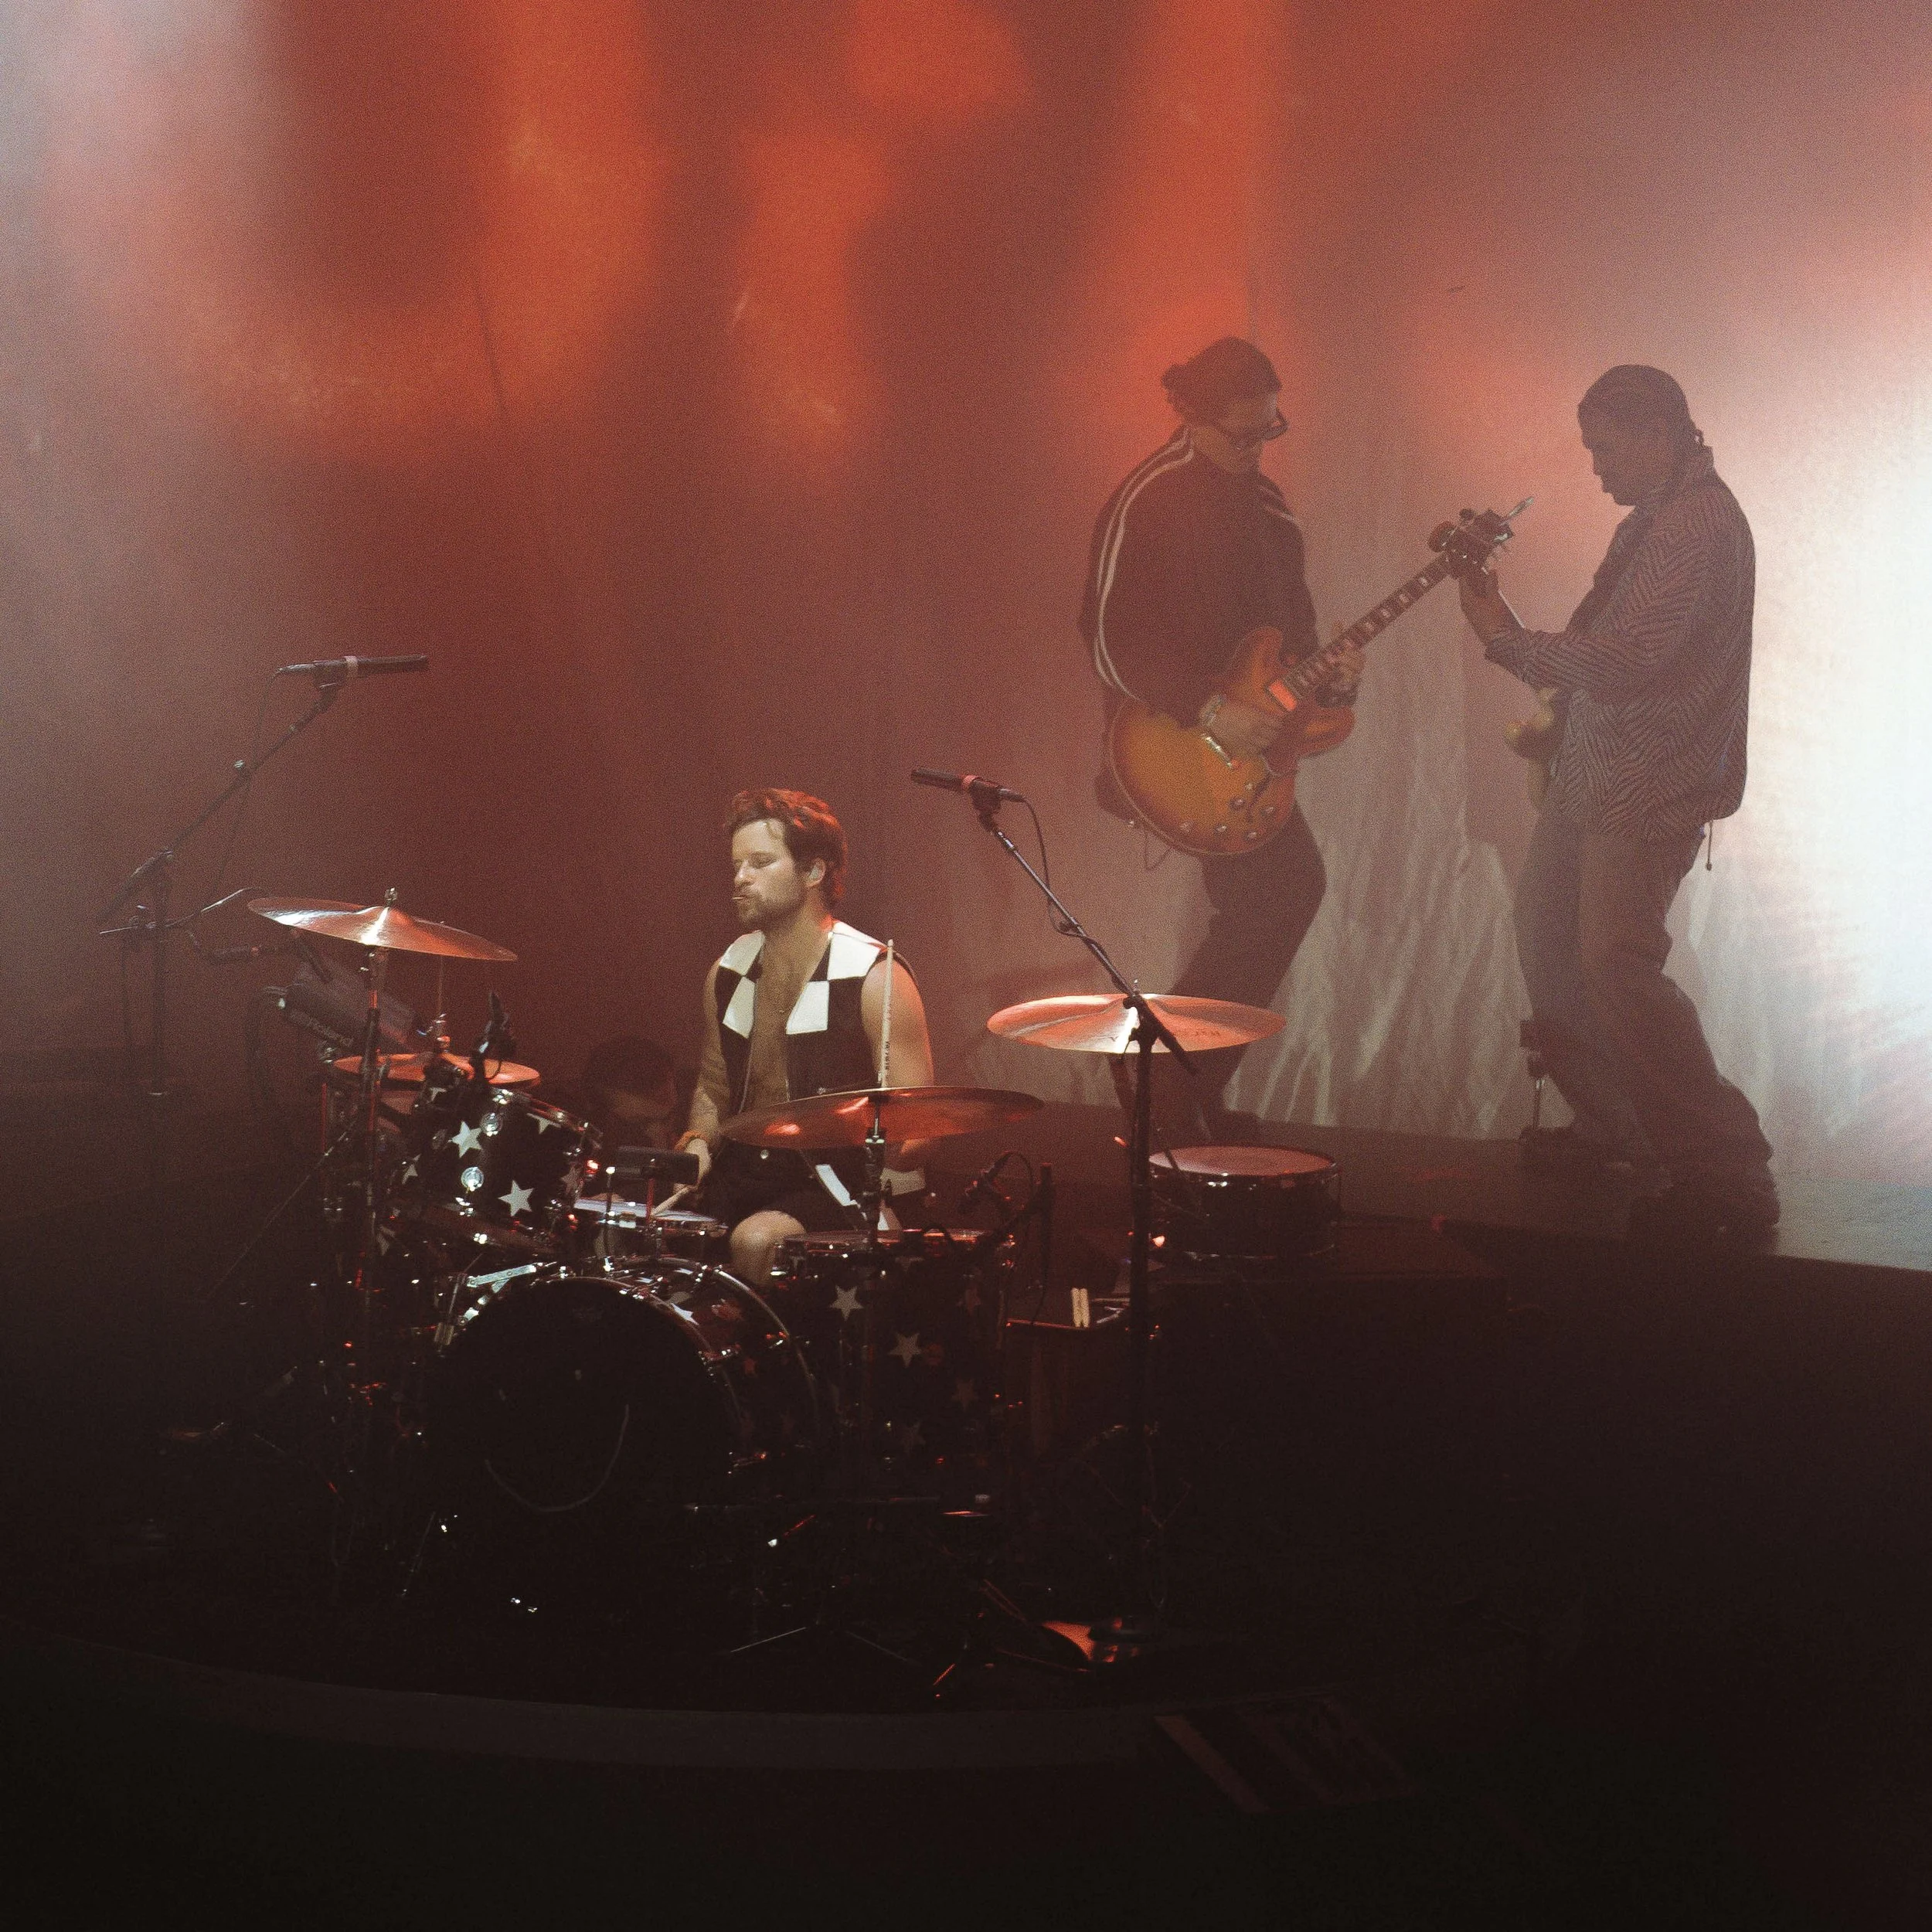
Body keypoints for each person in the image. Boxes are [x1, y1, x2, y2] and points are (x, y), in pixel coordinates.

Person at [1459, 364, 1777, 1241]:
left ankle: (1725, 1167)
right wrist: (1505, 626)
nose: (1595, 468)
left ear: (1654, 432)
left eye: (1604, 447)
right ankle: (1611, 1124)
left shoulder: (1696, 527)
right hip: (1596, 775)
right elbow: (1606, 654)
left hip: (1649, 784)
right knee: (1549, 941)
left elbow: (1628, 661)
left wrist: (1503, 641)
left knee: (1615, 964)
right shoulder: (1653, 523)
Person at [1080, 336, 1363, 1139]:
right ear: (1190, 417)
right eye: (1240, 433)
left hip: (1243, 750)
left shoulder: (1273, 514)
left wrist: (1331, 678)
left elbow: (1295, 642)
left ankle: (1171, 1087)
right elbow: (1104, 638)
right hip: (1167, 744)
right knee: (1281, 888)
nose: (1254, 449)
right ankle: (1167, 1080)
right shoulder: (1149, 496)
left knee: (1277, 894)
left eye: (1269, 431)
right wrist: (1209, 712)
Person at [677, 787, 933, 1284]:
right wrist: (696, 1142)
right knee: (624, 1232)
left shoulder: (874, 977)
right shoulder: (728, 971)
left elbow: (920, 1125)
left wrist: (891, 1147)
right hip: (746, 1172)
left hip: (834, 1181)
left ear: (813, 872)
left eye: (760, 863)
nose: (739, 878)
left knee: (754, 1243)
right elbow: (712, 1086)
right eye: (737, 865)